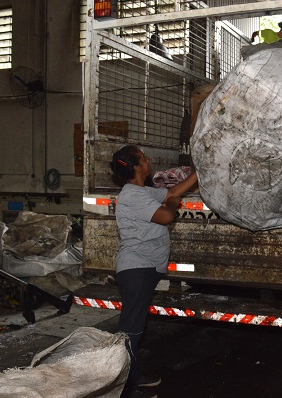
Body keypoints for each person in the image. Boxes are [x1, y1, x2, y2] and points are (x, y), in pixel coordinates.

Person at [110, 145, 198, 398]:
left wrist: (197, 174)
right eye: (144, 158)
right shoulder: (131, 195)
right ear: (137, 167)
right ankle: (125, 388)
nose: (149, 161)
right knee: (130, 331)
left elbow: (171, 192)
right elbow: (165, 216)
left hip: (144, 267)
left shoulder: (140, 191)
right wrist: (172, 202)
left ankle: (135, 376)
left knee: (135, 328)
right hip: (136, 268)